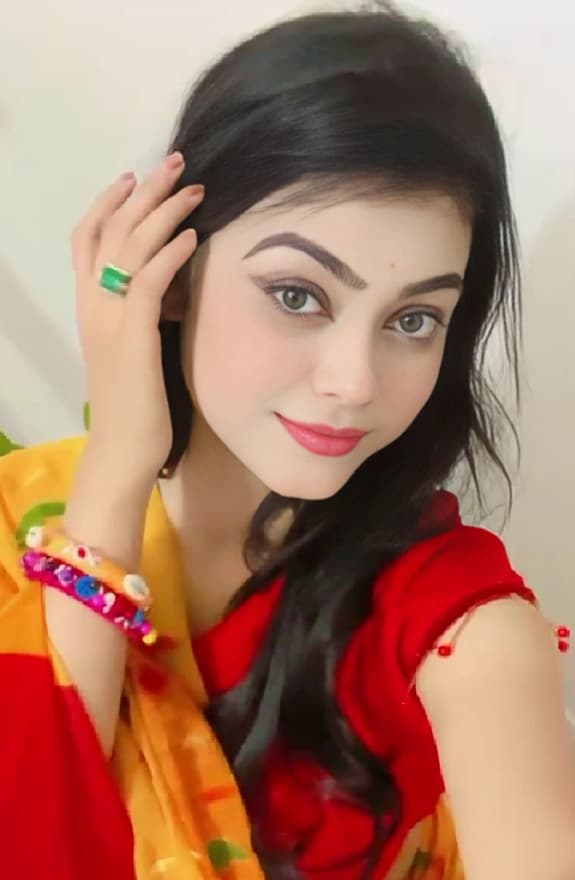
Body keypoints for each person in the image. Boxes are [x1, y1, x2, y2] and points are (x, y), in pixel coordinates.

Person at [1, 4, 574, 879]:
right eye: (297, 295)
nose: (354, 381)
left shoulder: (461, 630)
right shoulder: (20, 523)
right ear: (170, 272)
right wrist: (119, 456)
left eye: (413, 319)